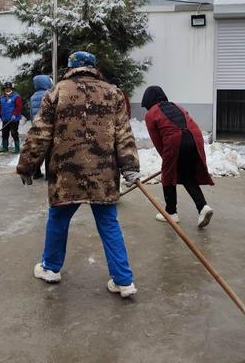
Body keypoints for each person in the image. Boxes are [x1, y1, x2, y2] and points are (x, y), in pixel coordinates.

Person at [17, 51, 140, 298]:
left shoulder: (58, 92)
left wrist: (27, 165)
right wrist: (130, 167)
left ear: (71, 67)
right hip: (102, 174)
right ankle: (124, 281)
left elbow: (40, 133)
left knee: (58, 219)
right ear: (93, 68)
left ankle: (51, 268)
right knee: (109, 224)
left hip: (66, 174)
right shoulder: (112, 93)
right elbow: (123, 134)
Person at [141, 86, 214, 228]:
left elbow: (157, 141)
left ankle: (171, 213)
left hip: (175, 140)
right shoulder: (176, 106)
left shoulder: (151, 114)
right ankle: (203, 207)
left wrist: (168, 162)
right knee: (187, 175)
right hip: (195, 137)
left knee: (168, 176)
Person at [30, 75, 53, 179]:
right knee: (48, 151)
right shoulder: (49, 94)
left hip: (36, 126)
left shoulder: (33, 96)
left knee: (37, 150)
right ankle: (48, 174)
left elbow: (31, 113)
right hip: (47, 126)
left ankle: (36, 173)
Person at [0, 82, 23, 153]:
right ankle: (5, 148)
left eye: (9, 88)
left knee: (14, 133)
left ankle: (17, 148)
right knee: (4, 133)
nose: (7, 89)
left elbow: (19, 107)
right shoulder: (2, 97)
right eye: (6, 88)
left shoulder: (16, 97)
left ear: (11, 88)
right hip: (5, 119)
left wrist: (14, 114)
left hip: (14, 119)